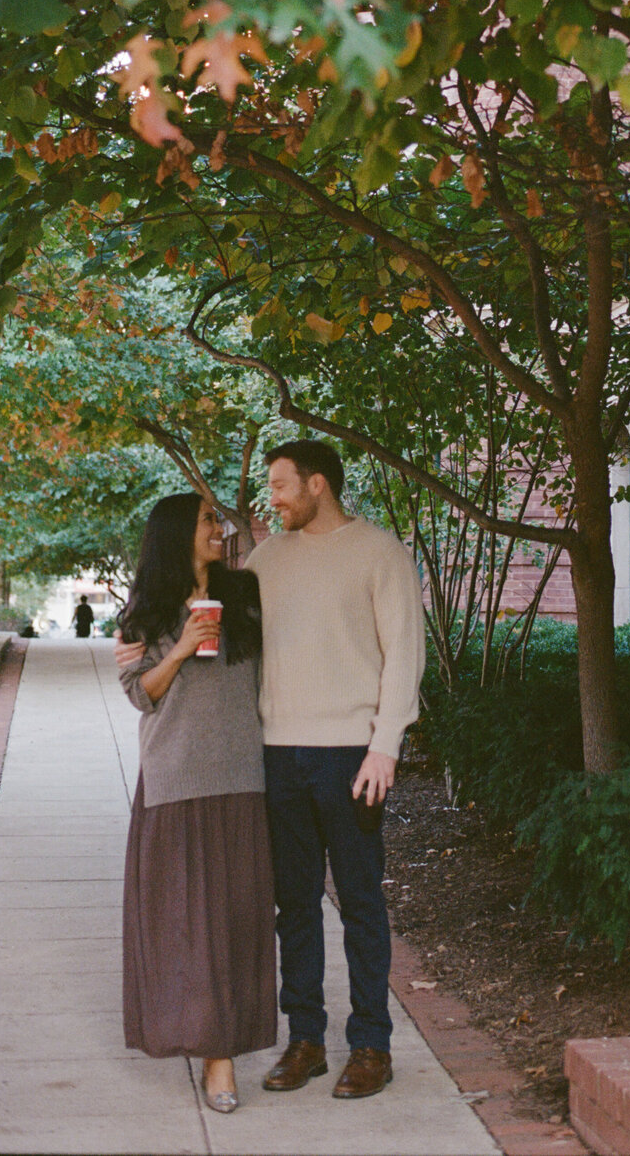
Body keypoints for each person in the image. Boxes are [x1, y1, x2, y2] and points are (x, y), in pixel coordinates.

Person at [246, 440, 423, 1102]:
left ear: (317, 484)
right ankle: (306, 1042)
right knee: (294, 905)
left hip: (352, 756)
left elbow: (404, 653)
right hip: (278, 754)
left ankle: (372, 1045)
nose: (272, 498)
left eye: (280, 485)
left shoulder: (379, 553)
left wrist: (386, 746)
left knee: (360, 903)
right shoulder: (265, 560)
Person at [118, 494, 276, 1114]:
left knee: (236, 922)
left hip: (241, 779)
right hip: (174, 780)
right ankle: (211, 1051)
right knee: (184, 924)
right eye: (209, 519)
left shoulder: (245, 595)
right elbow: (141, 695)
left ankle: (223, 1049)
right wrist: (181, 646)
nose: (220, 527)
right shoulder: (145, 612)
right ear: (178, 533)